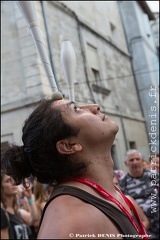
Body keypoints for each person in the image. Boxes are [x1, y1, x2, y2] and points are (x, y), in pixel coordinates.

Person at [2, 98, 150, 239]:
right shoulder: (71, 220)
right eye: (77, 109)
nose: (95, 106)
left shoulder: (102, 193)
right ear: (69, 145)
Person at [119, 149, 159, 240]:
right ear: (126, 163)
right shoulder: (123, 182)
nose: (135, 162)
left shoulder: (154, 176)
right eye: (131, 160)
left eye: (137, 159)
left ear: (142, 161)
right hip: (143, 230)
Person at [1, 169, 38, 239]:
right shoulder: (3, 213)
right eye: (8, 181)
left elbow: (33, 219)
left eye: (13, 179)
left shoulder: (17, 211)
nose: (13, 183)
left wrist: (30, 198)